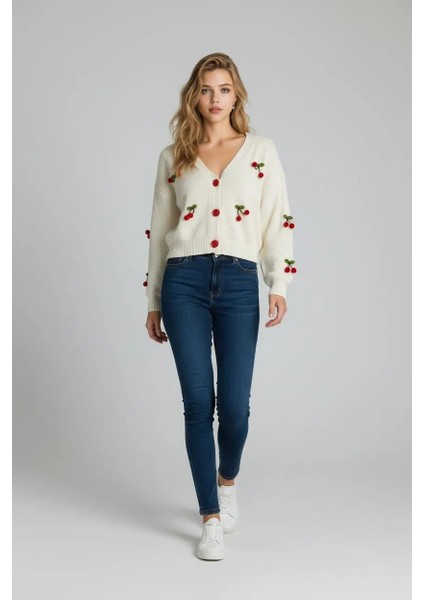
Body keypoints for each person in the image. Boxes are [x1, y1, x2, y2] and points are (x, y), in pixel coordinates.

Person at [144, 52, 296, 560]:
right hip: (182, 282)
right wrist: (153, 299)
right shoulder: (174, 156)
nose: (215, 98)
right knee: (196, 404)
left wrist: (278, 283)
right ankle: (209, 517)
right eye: (207, 89)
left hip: (237, 281)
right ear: (195, 95)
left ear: (236, 95)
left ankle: (226, 481)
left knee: (233, 407)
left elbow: (277, 218)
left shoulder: (261, 151)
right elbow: (158, 231)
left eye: (224, 89)